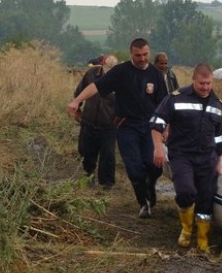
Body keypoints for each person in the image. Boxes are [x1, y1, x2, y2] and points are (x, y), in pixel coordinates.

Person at [67, 38, 167, 218]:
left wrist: (167, 128)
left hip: (150, 127)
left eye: (145, 54)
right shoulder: (121, 72)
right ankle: (143, 203)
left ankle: (150, 184)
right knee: (134, 167)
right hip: (127, 126)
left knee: (154, 166)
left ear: (149, 52)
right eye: (138, 55)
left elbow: (165, 105)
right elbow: (95, 86)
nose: (142, 58)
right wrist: (76, 101)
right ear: (131, 54)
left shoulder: (156, 75)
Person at [151, 63, 222, 253]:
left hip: (207, 158)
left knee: (206, 200)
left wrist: (219, 159)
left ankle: (202, 239)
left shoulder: (217, 104)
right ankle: (186, 229)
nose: (205, 87)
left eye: (208, 83)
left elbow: (219, 135)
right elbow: (157, 121)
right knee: (185, 192)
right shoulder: (176, 98)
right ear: (194, 80)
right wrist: (158, 148)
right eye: (201, 83)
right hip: (182, 155)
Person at [73, 54, 118, 190]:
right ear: (102, 65)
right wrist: (77, 108)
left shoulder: (120, 79)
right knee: (85, 150)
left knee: (108, 155)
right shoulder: (91, 74)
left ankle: (107, 184)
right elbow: (79, 92)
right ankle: (89, 174)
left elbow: (126, 101)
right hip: (89, 120)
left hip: (109, 124)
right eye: (107, 68)